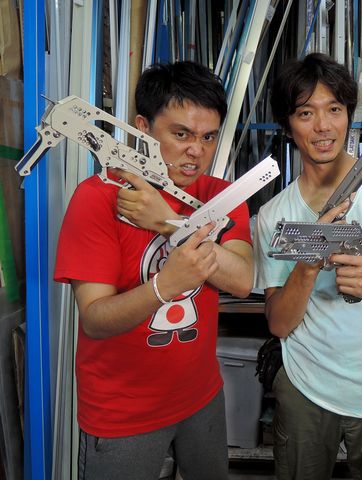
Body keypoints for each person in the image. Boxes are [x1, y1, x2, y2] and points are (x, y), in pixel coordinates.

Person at [54, 61, 254, 479]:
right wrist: (164, 287)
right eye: (181, 134)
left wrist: (170, 224)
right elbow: (95, 320)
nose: (196, 151)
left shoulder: (221, 196)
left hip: (201, 397)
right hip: (122, 413)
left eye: (208, 137)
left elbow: (241, 280)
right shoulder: (96, 199)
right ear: (142, 128)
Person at [254, 52, 362, 479]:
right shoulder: (273, 216)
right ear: (288, 125)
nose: (323, 126)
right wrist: (307, 267)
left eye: (334, 109)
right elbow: (279, 323)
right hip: (306, 389)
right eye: (305, 113)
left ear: (348, 115)